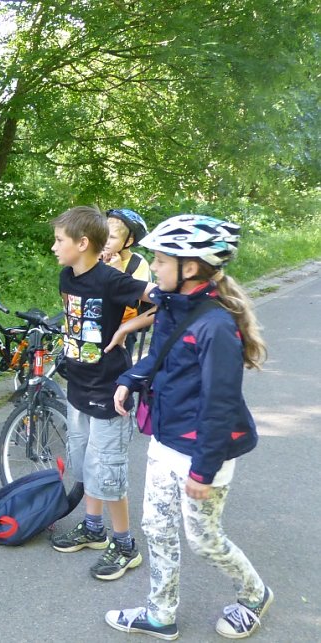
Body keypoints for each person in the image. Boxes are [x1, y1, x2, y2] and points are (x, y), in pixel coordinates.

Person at [106, 215, 272, 640]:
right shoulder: (172, 305)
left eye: (161, 260)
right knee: (156, 528)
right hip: (166, 439)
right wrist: (131, 379)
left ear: (191, 268)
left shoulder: (215, 326)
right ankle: (160, 614)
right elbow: (159, 358)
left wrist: (202, 469)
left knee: (204, 539)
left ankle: (255, 595)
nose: (154, 267)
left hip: (203, 452)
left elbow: (220, 404)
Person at [48, 206, 154, 581]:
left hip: (111, 391)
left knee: (108, 470)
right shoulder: (66, 276)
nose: (54, 247)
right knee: (85, 463)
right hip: (77, 384)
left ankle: (125, 544)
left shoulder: (111, 280)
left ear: (82, 243)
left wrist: (126, 330)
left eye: (59, 240)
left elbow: (162, 301)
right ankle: (94, 528)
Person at [101, 208, 152, 359]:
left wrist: (118, 270)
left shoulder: (137, 263)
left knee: (120, 365)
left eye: (112, 237)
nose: (106, 242)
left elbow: (134, 296)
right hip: (99, 322)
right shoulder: (97, 257)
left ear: (128, 241)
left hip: (124, 326)